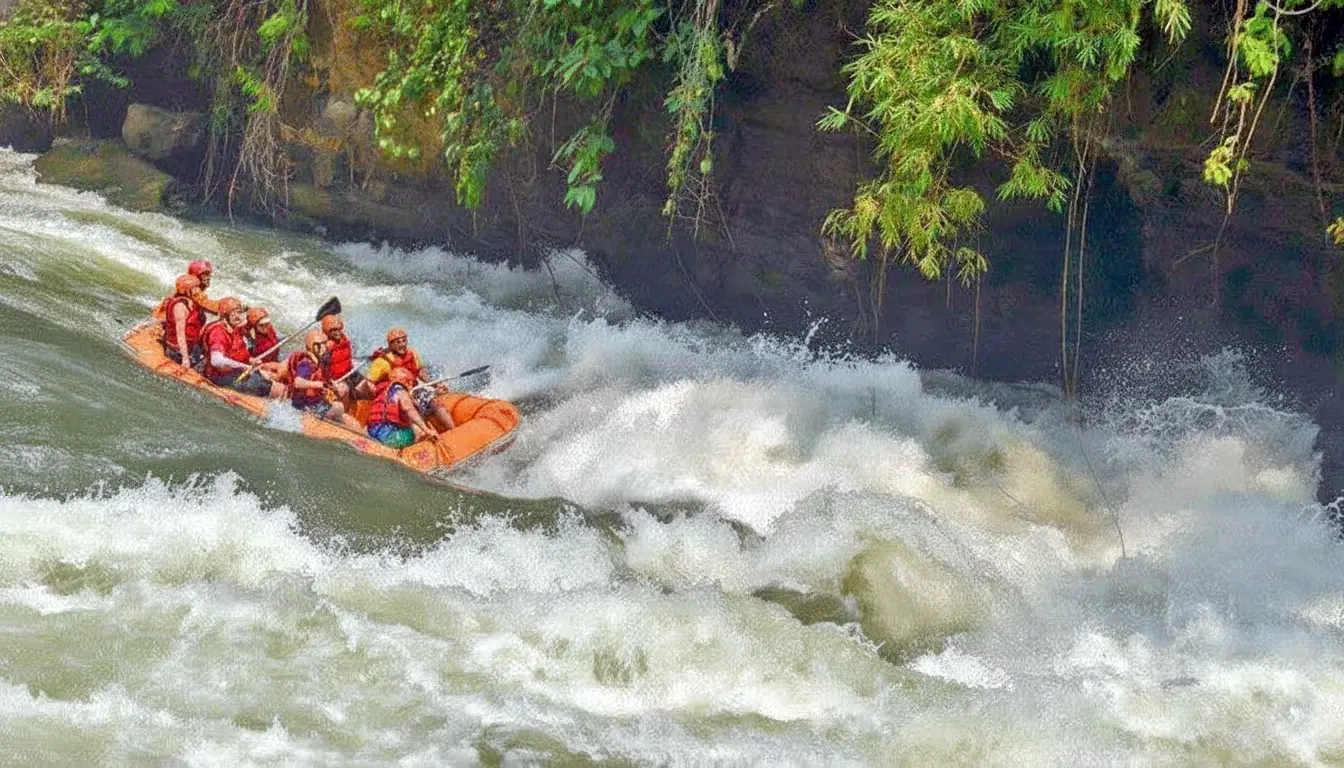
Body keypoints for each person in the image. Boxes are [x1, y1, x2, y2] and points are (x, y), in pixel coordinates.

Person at [365, 327, 455, 429]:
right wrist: (379, 399)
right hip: (395, 394)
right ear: (391, 345)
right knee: (411, 406)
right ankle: (423, 433)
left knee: (434, 402)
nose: (402, 344)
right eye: (398, 342)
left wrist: (436, 385)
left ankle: (453, 429)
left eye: (404, 341)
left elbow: (420, 373)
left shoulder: (413, 353)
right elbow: (370, 382)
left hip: (413, 389)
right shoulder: (382, 361)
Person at [200, 296, 287, 399]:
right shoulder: (218, 333)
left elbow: (236, 353)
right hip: (220, 377)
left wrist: (250, 360)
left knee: (273, 376)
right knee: (273, 387)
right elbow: (216, 360)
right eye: (233, 314)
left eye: (239, 312)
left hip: (236, 371)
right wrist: (243, 366)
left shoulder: (234, 328)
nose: (237, 316)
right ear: (225, 316)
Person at [286, 331, 360, 429]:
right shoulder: (306, 364)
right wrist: (320, 384)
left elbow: (326, 380)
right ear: (315, 347)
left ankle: (346, 429)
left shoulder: (319, 364)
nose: (326, 348)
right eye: (323, 345)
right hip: (305, 406)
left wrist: (335, 386)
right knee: (339, 407)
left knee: (346, 418)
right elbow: (298, 382)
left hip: (314, 402)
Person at [366, 368, 440, 448]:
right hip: (389, 437)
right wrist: (426, 429)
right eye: (412, 383)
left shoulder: (385, 392)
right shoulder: (401, 391)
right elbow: (409, 410)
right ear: (408, 382)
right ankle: (417, 448)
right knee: (415, 431)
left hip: (373, 431)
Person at [158, 273, 206, 369]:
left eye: (198, 287)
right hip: (177, 351)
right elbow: (180, 334)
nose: (198, 290)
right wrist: (185, 358)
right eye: (195, 288)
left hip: (191, 346)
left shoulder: (192, 302)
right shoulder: (180, 306)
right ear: (187, 290)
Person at [319, 315, 360, 402]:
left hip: (349, 373)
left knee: (369, 387)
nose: (337, 332)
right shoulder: (326, 346)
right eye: (333, 330)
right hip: (335, 379)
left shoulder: (344, 338)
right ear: (327, 331)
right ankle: (344, 412)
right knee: (343, 390)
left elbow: (350, 354)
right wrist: (328, 382)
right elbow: (321, 369)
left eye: (339, 329)